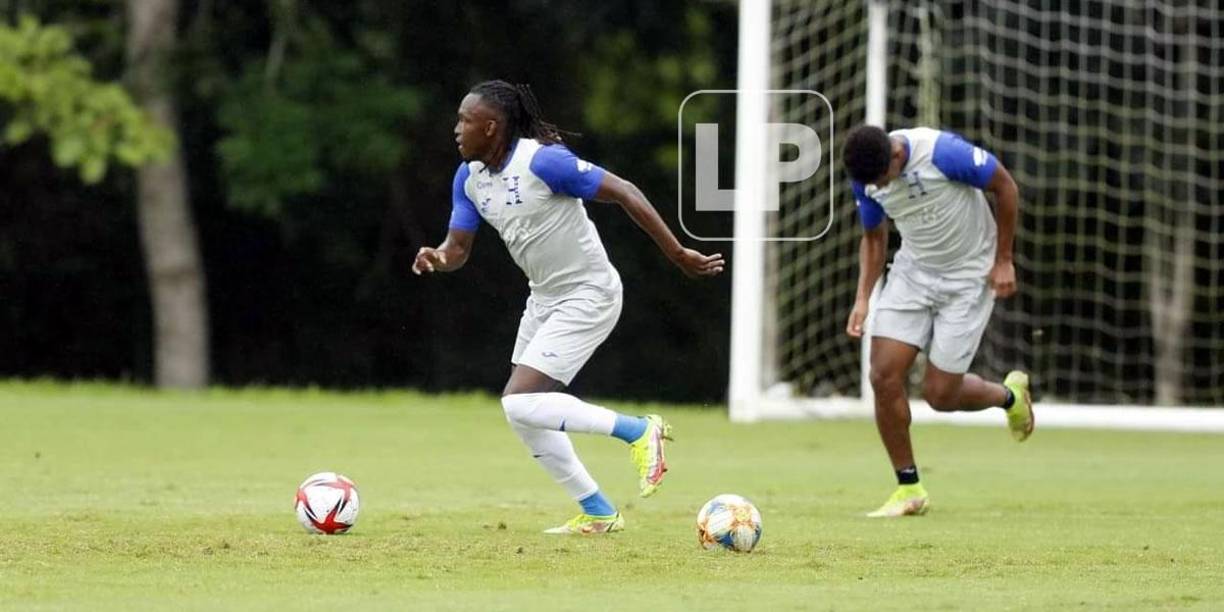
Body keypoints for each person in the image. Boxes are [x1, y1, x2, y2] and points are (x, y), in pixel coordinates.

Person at [413, 80, 724, 534]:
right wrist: (438, 258)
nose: (456, 129)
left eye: (465, 120)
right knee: (521, 412)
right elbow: (457, 248)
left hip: (589, 294)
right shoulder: (469, 178)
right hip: (544, 298)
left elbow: (626, 192)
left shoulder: (544, 162)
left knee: (521, 403)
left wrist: (678, 254)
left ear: (492, 126)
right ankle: (598, 510)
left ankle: (639, 431)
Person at [842, 125, 1035, 518]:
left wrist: (1003, 259)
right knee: (882, 375)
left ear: (897, 157)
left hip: (968, 276)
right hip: (913, 273)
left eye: (882, 180)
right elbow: (875, 238)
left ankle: (1010, 397)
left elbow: (1005, 187)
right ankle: (909, 487)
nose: (878, 188)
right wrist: (863, 297)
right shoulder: (867, 178)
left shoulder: (944, 154)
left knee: (940, 395)